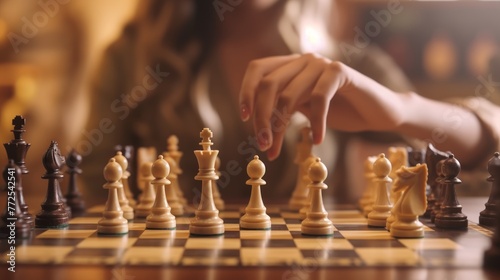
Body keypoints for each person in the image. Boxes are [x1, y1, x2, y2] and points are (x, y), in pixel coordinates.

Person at [82, 0, 499, 205]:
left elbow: (491, 147)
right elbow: (90, 190)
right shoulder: (131, 59)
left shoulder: (349, 64)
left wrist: (403, 108)